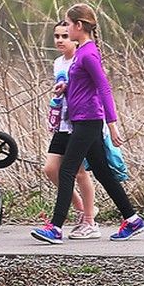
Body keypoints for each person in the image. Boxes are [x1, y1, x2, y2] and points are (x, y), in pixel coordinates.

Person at [31, 3, 144, 245]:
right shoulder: (82, 52)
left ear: (79, 26)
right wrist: (67, 87)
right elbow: (86, 86)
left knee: (67, 170)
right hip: (82, 119)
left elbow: (103, 87)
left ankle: (55, 227)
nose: (67, 29)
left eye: (69, 24)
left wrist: (112, 124)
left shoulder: (88, 53)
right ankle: (132, 219)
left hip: (89, 121)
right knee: (103, 172)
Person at [43, 19, 99, 239]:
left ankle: (89, 219)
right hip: (62, 123)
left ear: (74, 37)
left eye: (64, 36)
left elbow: (96, 87)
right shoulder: (58, 63)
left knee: (79, 171)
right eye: (56, 36)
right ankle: (81, 208)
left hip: (80, 122)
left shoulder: (81, 58)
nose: (60, 40)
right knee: (50, 169)